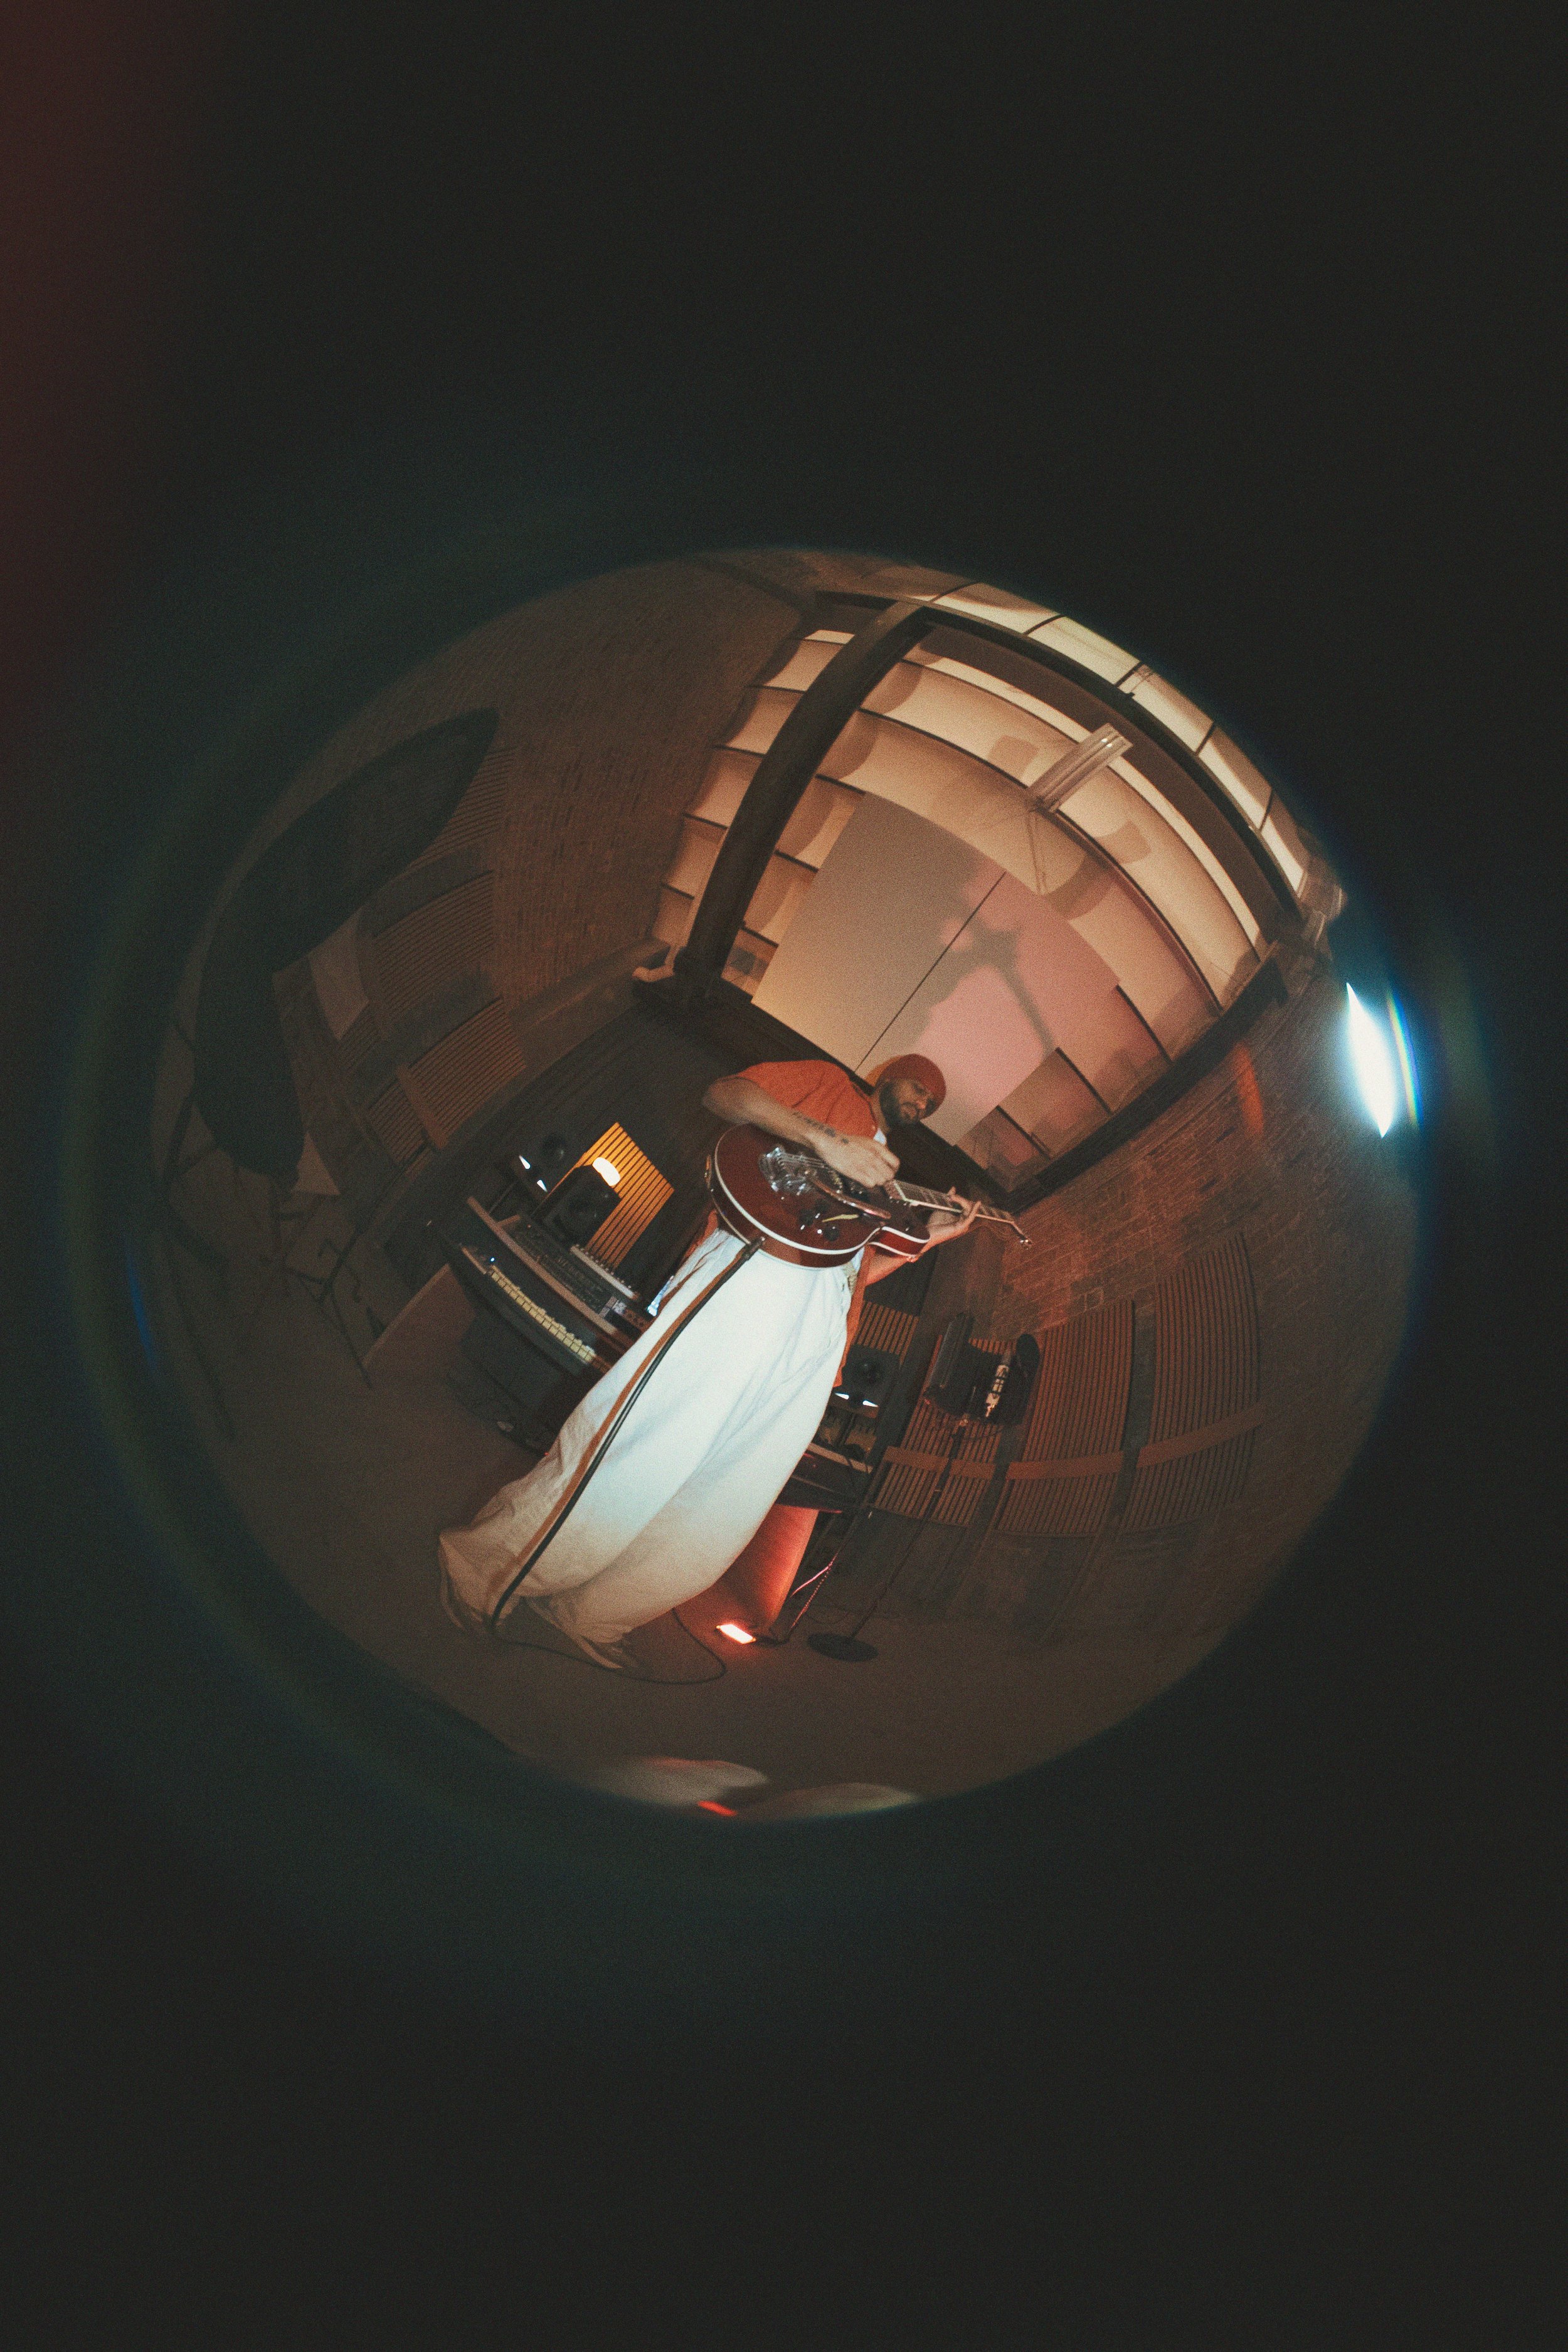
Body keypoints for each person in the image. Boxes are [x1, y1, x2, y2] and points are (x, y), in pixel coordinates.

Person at [437, 1052, 980, 1668]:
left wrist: (927, 1240)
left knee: (725, 1495)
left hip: (820, 1332)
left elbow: (853, 1271)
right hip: (757, 1275)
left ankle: (595, 1610)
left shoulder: (883, 1169)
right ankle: (490, 1570)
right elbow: (725, 1094)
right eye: (918, 1090)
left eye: (928, 1107)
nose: (919, 1106)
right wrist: (828, 1141)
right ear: (892, 1074)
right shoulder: (831, 1089)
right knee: (647, 1444)